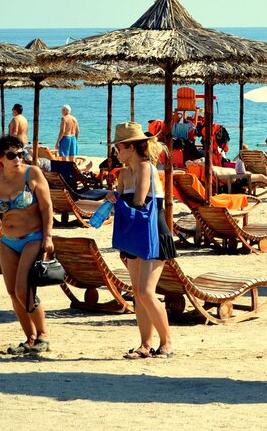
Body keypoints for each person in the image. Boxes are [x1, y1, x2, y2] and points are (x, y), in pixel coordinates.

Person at [105, 123, 175, 359]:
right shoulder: (124, 174)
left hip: (154, 233)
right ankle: (145, 344)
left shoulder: (146, 168)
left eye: (118, 148)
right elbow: (123, 204)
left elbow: (138, 201)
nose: (116, 152)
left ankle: (167, 343)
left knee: (145, 291)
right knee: (137, 292)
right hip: (135, 234)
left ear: (130, 147)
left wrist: (118, 200)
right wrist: (112, 197)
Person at [0, 135, 54, 354]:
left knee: (23, 289)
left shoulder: (32, 174)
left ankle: (43, 335)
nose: (18, 159)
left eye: (21, 154)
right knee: (12, 292)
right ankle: (30, 338)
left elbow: (47, 207)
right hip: (7, 241)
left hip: (33, 238)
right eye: (11, 155)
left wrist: (48, 236)